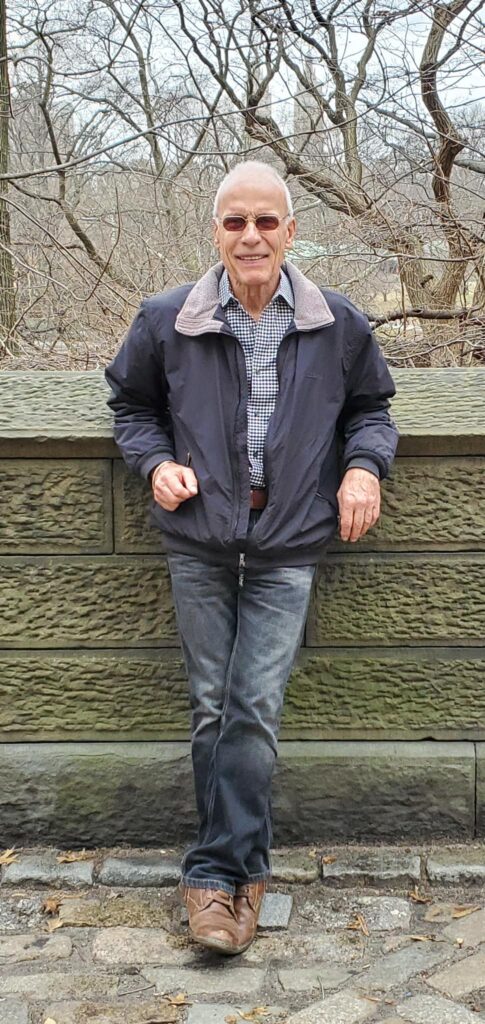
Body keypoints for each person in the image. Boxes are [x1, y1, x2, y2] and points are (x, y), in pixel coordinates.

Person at [104, 160, 399, 957]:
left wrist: (363, 469)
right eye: (235, 222)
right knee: (212, 705)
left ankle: (214, 875)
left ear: (290, 231)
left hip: (290, 539)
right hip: (199, 538)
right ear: (216, 232)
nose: (251, 236)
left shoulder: (336, 323)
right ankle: (237, 877)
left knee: (252, 706)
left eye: (266, 221)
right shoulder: (168, 318)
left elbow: (373, 410)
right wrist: (153, 463)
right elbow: (130, 406)